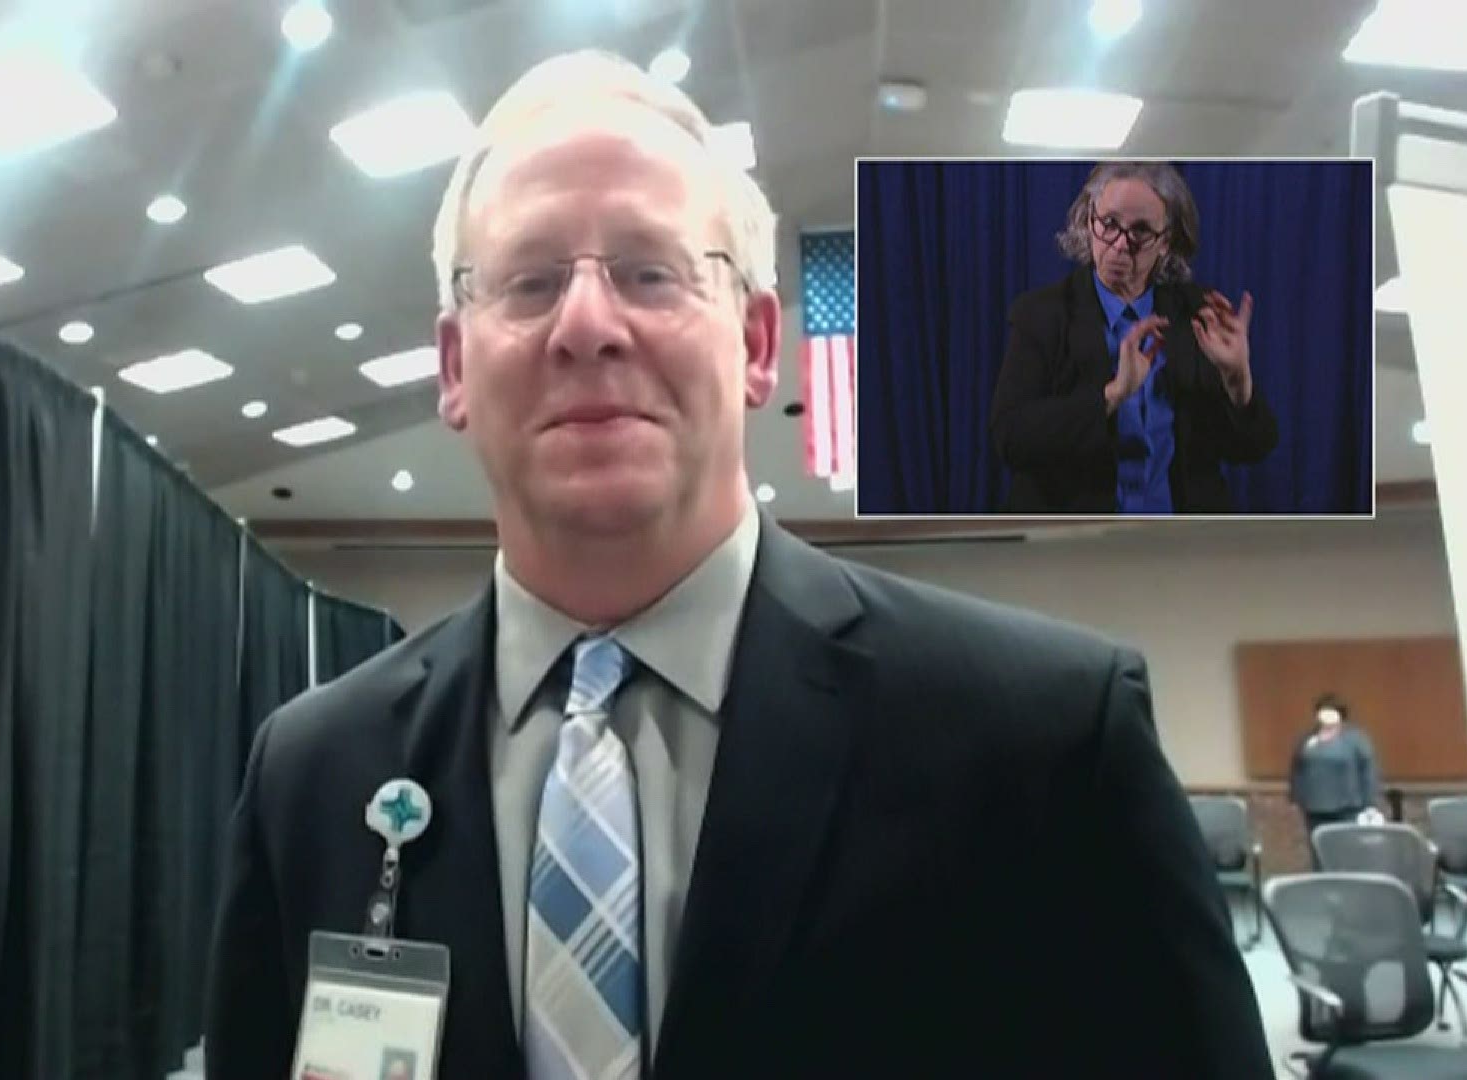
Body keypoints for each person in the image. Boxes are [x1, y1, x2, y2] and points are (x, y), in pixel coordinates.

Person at [204, 51, 1271, 1078]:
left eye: (649, 271)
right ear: (452, 368)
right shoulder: (312, 777)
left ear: (758, 343)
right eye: (528, 282)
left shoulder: (1044, 743)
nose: (585, 323)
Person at [989, 161, 1278, 513]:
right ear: (1088, 220)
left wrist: (1237, 379)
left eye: (1140, 231)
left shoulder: (1197, 314)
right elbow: (1011, 438)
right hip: (1076, 538)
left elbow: (1253, 449)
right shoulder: (1042, 314)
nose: (1120, 244)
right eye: (1109, 223)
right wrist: (1112, 395)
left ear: (1166, 241)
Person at [1290, 693, 1384, 868]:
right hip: (1314, 807)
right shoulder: (1307, 739)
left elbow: (1368, 770)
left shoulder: (1355, 739)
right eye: (1323, 710)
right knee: (1319, 851)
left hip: (1347, 807)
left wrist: (1370, 802)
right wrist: (1296, 796)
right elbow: (1297, 767)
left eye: (1331, 710)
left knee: (1346, 852)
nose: (1326, 715)